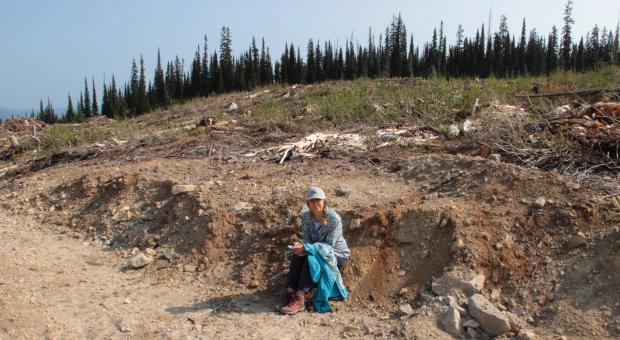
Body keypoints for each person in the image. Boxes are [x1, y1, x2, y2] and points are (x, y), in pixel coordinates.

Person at [280, 187, 351, 314]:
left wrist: (307, 248)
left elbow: (329, 246)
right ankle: (290, 292)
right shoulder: (306, 217)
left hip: (336, 253)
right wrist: (300, 245)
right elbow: (307, 239)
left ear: (324, 201)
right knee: (297, 255)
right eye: (311, 201)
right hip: (317, 250)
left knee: (310, 259)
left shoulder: (334, 219)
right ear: (308, 204)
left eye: (318, 200)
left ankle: (300, 297)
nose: (315, 203)